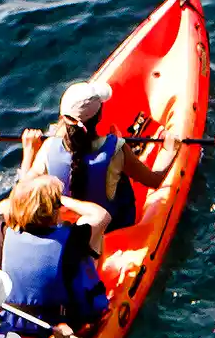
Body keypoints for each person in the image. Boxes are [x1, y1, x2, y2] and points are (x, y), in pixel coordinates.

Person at [37, 80, 174, 231]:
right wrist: (169, 150)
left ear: (62, 116)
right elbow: (154, 180)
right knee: (118, 171)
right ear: (100, 116)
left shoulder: (48, 147)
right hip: (113, 229)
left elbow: (27, 183)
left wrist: (31, 150)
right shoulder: (116, 149)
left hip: (69, 231)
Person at [0, 169, 110, 334]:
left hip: (12, 319)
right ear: (53, 209)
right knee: (92, 245)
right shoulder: (72, 238)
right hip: (60, 324)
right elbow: (102, 215)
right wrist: (63, 199)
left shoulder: (0, 230)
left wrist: (28, 195)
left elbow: (4, 205)